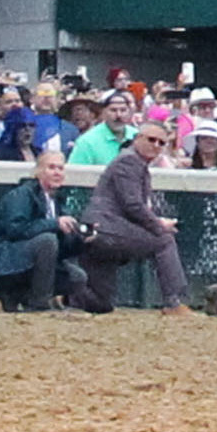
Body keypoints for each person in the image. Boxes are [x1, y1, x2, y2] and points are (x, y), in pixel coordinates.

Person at [75, 117, 192, 310]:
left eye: (161, 143)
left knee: (100, 303)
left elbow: (131, 206)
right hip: (106, 228)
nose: (156, 146)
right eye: (151, 139)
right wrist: (159, 226)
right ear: (137, 138)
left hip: (100, 229)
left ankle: (64, 297)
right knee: (164, 241)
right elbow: (133, 205)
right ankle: (175, 302)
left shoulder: (132, 162)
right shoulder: (130, 161)